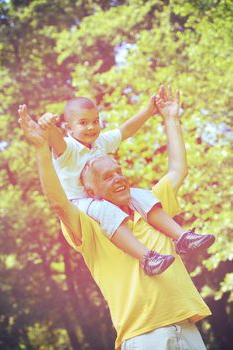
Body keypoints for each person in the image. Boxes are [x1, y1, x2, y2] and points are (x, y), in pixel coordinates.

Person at [19, 87, 211, 349]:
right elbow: (59, 203)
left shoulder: (150, 209)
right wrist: (44, 139)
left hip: (188, 327)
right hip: (145, 336)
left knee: (143, 195)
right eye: (107, 177)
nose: (118, 178)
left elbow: (177, 168)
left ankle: (184, 238)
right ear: (91, 189)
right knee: (104, 210)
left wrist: (169, 119)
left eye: (119, 172)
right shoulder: (91, 226)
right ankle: (147, 257)